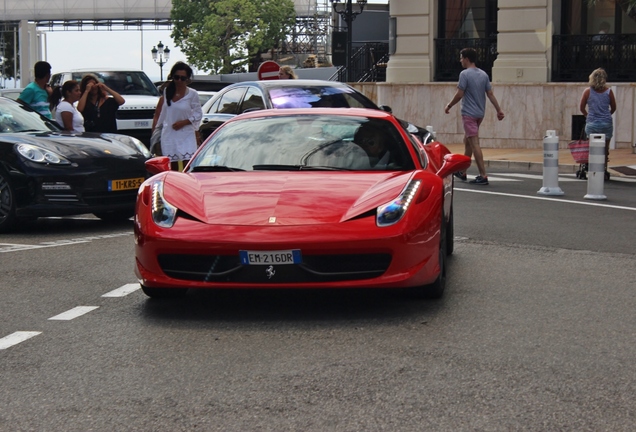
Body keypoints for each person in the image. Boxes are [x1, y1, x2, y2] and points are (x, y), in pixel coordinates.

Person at [445, 47, 505, 185]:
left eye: (461, 58)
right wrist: (498, 110)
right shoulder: (483, 74)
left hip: (469, 114)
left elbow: (460, 94)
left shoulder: (464, 74)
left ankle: (483, 175)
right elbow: (490, 94)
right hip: (479, 114)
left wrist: (449, 105)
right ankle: (462, 171)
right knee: (467, 141)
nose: (460, 61)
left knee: (474, 143)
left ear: (466, 58)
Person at [151, 61, 202, 171]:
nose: (179, 81)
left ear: (187, 79)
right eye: (176, 77)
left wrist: (184, 122)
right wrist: (155, 132)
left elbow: (198, 114)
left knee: (187, 165)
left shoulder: (192, 94)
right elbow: (161, 114)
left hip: (186, 134)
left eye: (182, 78)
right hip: (169, 134)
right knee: (171, 166)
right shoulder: (166, 92)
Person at [579, 68, 616, 173]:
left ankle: (591, 168)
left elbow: (581, 108)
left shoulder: (587, 92)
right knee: (605, 148)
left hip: (592, 124)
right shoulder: (609, 92)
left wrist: (588, 115)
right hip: (606, 124)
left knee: (591, 147)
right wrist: (606, 115)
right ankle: (603, 169)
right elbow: (613, 107)